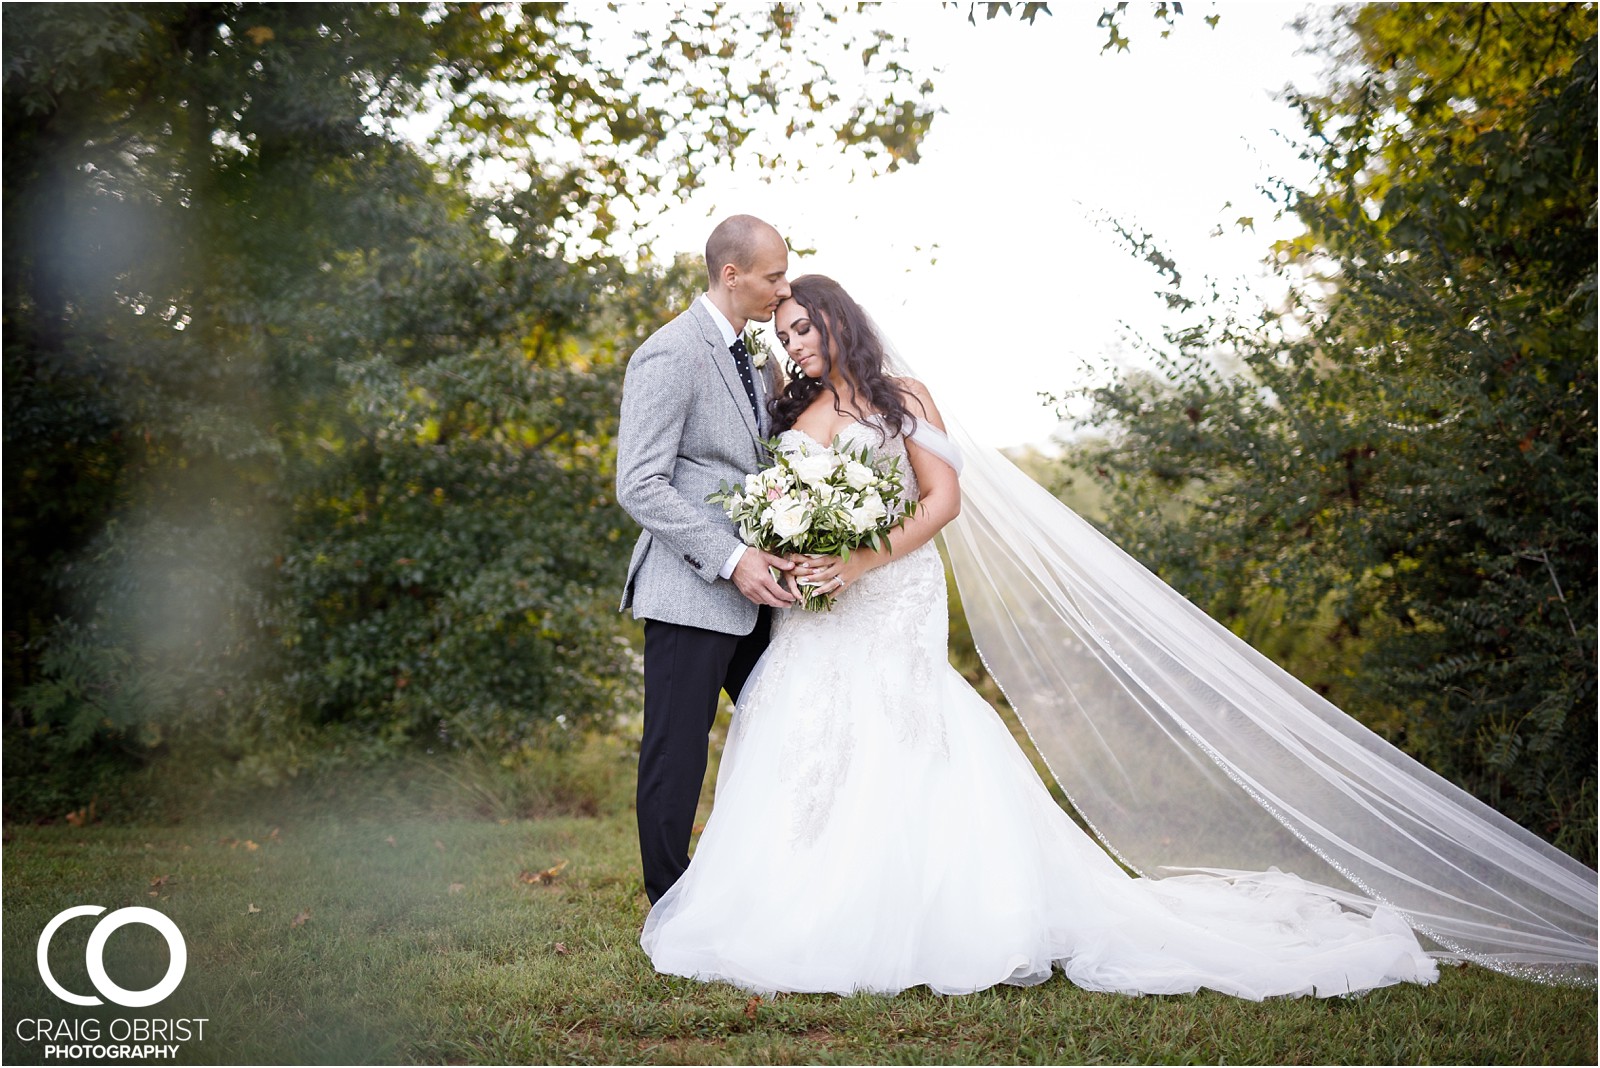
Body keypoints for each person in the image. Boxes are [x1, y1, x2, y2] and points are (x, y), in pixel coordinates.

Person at [639, 273, 1592, 998]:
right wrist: (797, 557)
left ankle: (926, 913)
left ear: (836, 319)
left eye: (804, 326)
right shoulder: (788, 412)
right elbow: (772, 505)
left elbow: (944, 502)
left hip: (888, 590)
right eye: (783, 333)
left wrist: (861, 560)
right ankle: (802, 904)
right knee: (808, 736)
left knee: (904, 730)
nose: (794, 344)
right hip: (820, 611)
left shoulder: (903, 395)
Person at [615, 214, 798, 905]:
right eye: (774, 276)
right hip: (691, 587)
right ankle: (669, 904)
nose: (784, 289)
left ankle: (781, 877)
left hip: (760, 593)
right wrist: (730, 558)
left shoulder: (756, 354)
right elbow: (639, 483)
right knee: (676, 753)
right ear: (732, 275)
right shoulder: (670, 353)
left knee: (795, 722)